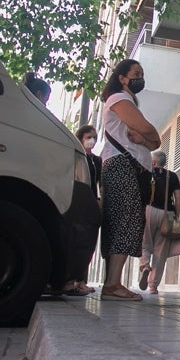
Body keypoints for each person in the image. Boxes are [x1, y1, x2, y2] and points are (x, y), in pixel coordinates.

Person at [97, 59, 160, 300]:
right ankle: (112, 285)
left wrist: (147, 138)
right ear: (122, 78)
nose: (140, 77)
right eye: (136, 73)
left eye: (142, 73)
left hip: (128, 168)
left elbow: (155, 141)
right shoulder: (118, 100)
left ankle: (113, 283)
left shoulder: (128, 101)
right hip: (123, 167)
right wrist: (148, 135)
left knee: (124, 222)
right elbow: (148, 130)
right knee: (124, 221)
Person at [62, 124, 102, 296]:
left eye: (94, 136)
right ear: (81, 138)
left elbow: (100, 183)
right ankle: (68, 280)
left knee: (88, 241)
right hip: (75, 199)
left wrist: (100, 201)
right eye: (88, 137)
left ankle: (81, 281)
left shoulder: (97, 160)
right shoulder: (74, 155)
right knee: (74, 239)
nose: (92, 140)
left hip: (91, 201)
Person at [138, 150, 180, 294]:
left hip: (149, 210)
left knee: (144, 243)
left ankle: (145, 266)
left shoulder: (146, 172)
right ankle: (153, 286)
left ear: (153, 162)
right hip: (167, 213)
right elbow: (178, 198)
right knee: (160, 251)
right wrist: (176, 215)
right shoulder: (173, 176)